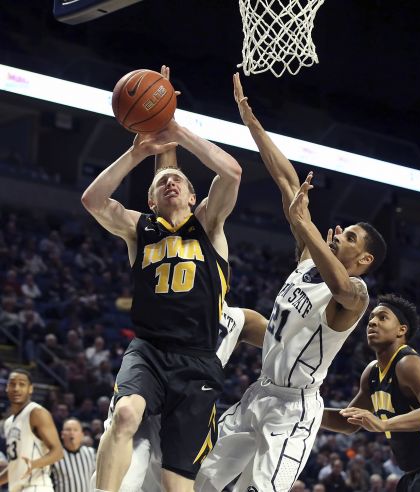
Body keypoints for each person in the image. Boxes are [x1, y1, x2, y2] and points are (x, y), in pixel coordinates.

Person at [194, 74, 387, 492]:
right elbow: (287, 180)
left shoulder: (356, 295)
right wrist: (251, 122)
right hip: (259, 394)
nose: (340, 234)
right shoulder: (307, 256)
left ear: (364, 259)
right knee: (200, 480)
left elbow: (339, 286)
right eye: (342, 230)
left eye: (350, 237)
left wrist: (307, 227)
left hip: (294, 413)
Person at [81, 65, 242, 492]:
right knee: (125, 415)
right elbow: (93, 199)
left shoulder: (208, 225)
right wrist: (138, 152)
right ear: (151, 199)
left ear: (194, 196)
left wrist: (175, 128)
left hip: (198, 359)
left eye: (179, 180)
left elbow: (232, 173)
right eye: (162, 181)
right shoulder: (140, 228)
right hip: (149, 350)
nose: (171, 181)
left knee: (176, 483)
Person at [90, 301, 268, 492]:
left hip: (189, 408)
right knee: (124, 481)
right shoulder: (175, 291)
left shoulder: (239, 319)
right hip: (150, 392)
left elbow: (284, 337)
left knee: (167, 486)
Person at [320, 293, 420, 492]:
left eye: (382, 317)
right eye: (371, 318)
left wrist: (383, 424)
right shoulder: (372, 372)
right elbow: (347, 422)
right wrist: (307, 414)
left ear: (401, 330)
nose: (373, 323)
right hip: (412, 475)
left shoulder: (408, 363)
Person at [0, 369, 63, 492]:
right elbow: (16, 467)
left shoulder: (37, 413)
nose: (16, 388)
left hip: (37, 487)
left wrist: (33, 464)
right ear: (7, 388)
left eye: (22, 384)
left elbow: (58, 452)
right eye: (12, 384)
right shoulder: (8, 423)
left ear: (30, 389)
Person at [52, 418, 96, 492]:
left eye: (75, 430)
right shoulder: (54, 456)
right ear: (62, 434)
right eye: (68, 430)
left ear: (82, 435)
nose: (72, 433)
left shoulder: (91, 453)